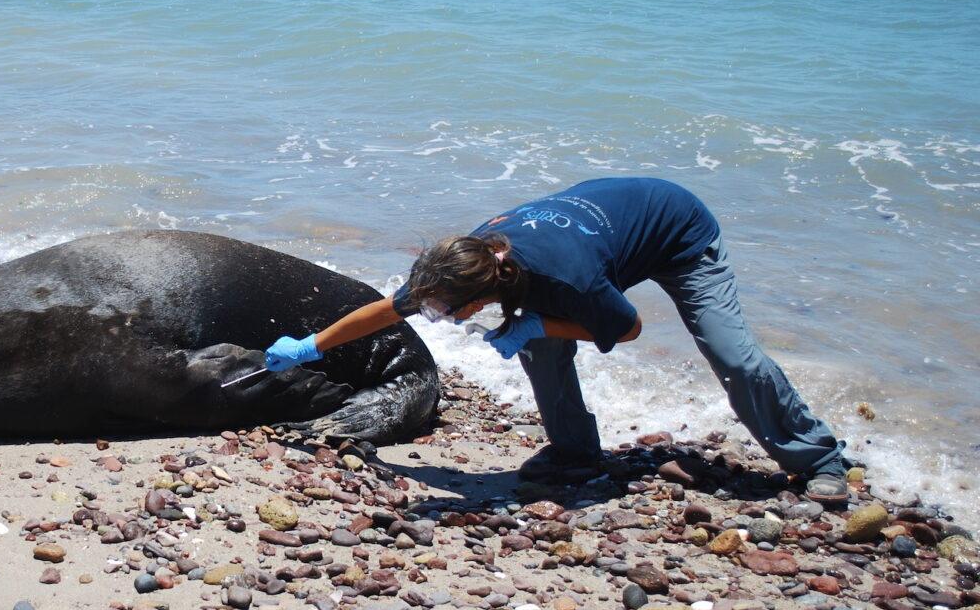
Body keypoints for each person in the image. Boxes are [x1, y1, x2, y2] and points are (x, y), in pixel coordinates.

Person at [263, 177, 849, 503]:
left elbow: (628, 329)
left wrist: (537, 324)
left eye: (448, 312)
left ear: (482, 292)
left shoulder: (567, 280)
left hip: (680, 234)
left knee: (731, 355)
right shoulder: (463, 263)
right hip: (604, 230)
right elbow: (388, 311)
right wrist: (312, 346)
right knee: (537, 344)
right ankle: (575, 452)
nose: (440, 317)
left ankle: (817, 455)